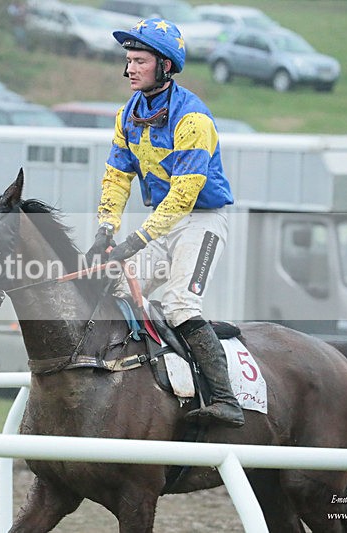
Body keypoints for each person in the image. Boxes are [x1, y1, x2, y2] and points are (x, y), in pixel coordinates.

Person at [85, 18, 244, 428]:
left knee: (179, 303)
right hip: (161, 224)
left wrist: (134, 240)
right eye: (129, 59)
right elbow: (117, 176)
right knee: (117, 290)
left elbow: (183, 197)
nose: (130, 68)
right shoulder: (127, 114)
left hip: (201, 222)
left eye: (140, 60)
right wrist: (106, 229)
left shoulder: (194, 119)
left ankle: (226, 399)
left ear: (165, 66)